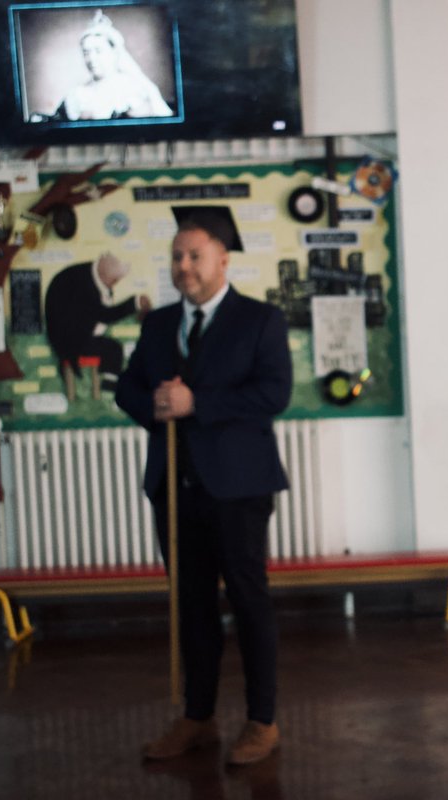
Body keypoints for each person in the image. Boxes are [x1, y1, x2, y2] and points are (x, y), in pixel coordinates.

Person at [115, 210, 292, 766]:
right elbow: (127, 389)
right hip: (174, 488)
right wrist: (154, 405)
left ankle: (262, 721)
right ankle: (197, 718)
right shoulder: (158, 325)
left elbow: (274, 394)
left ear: (223, 260)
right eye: (177, 256)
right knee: (190, 606)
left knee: (248, 602)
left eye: (195, 256)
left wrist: (198, 403)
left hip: (239, 488)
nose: (184, 266)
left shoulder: (260, 320)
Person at [44, 252, 151, 394]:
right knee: (113, 349)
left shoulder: (88, 275)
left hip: (75, 332)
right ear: (103, 276)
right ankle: (109, 387)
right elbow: (105, 315)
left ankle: (109, 384)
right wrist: (134, 303)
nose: (116, 283)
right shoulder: (85, 286)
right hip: (70, 341)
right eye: (114, 280)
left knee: (112, 349)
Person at [54, 9, 173, 121]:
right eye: (86, 52)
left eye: (98, 51)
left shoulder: (134, 88)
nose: (91, 58)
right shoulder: (76, 94)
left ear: (114, 53)